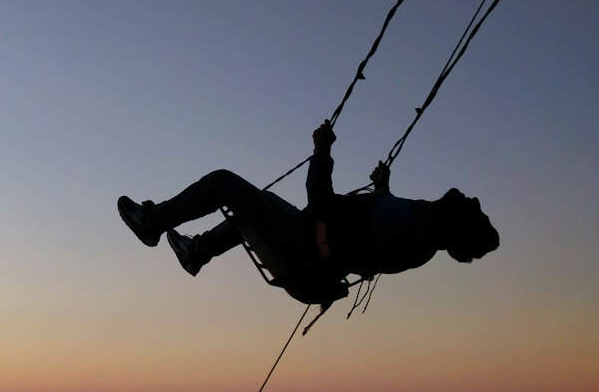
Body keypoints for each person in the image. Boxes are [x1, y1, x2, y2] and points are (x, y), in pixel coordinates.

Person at [117, 120, 499, 307]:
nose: (471, 200)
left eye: (472, 211)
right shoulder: (422, 237)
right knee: (256, 205)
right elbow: (376, 231)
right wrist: (383, 189)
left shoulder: (413, 225)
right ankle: (195, 253)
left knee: (222, 184)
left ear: (456, 224)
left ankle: (152, 225)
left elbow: (321, 202)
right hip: (307, 252)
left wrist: (321, 151)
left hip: (299, 249)